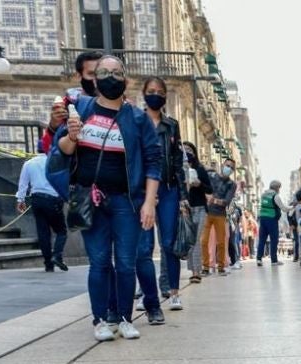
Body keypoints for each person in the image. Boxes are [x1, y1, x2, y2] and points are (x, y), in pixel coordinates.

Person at [49, 54, 160, 342]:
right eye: (104, 72)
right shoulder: (81, 109)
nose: (111, 76)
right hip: (91, 199)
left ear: (126, 79)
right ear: (94, 79)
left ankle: (123, 317)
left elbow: (152, 161)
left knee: (125, 262)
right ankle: (100, 319)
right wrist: (72, 136)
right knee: (99, 262)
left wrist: (149, 202)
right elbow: (62, 150)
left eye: (117, 72)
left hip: (127, 200)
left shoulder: (137, 118)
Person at [134, 76, 187, 321]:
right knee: (143, 247)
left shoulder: (172, 125)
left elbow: (177, 162)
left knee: (169, 243)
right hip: (142, 190)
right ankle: (148, 296)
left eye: (160, 91)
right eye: (151, 90)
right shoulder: (135, 121)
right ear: (144, 94)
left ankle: (174, 292)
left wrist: (183, 195)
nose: (155, 94)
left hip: (167, 189)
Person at [39, 51, 103, 154]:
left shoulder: (119, 104)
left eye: (100, 73)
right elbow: (47, 148)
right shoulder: (66, 105)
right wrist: (53, 125)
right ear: (79, 76)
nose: (96, 80)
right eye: (91, 74)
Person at [16, 152, 69, 272]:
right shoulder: (56, 161)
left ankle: (48, 264)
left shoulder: (29, 163)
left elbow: (23, 183)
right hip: (53, 199)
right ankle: (57, 255)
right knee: (61, 231)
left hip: (36, 199)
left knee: (43, 233)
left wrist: (20, 200)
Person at [201, 157, 237, 276]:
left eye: (231, 168)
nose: (229, 169)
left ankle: (221, 267)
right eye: (228, 166)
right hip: (207, 213)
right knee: (204, 241)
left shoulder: (232, 184)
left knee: (221, 242)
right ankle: (206, 267)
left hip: (220, 215)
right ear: (223, 165)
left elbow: (226, 201)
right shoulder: (211, 176)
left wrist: (213, 200)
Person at [183, 141, 213, 283]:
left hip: (200, 208)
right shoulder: (178, 168)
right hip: (185, 209)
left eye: (189, 149)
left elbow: (209, 189)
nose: (187, 152)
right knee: (190, 240)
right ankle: (193, 270)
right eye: (184, 149)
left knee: (195, 240)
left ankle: (196, 272)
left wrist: (199, 184)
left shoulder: (200, 169)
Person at [257, 180, 295, 266]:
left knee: (262, 240)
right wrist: (293, 206)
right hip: (271, 220)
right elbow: (284, 208)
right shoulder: (275, 196)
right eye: (279, 188)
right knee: (274, 240)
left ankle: (259, 259)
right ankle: (274, 261)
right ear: (276, 188)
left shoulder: (263, 195)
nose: (279, 190)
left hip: (262, 219)